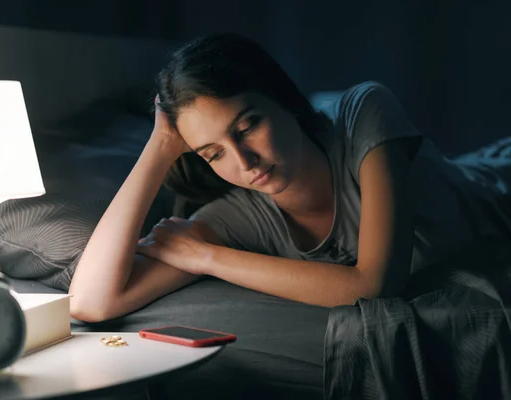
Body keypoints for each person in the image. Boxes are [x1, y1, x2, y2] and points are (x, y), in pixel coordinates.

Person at [68, 33, 511, 323]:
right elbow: (91, 302)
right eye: (214, 152)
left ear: (283, 100)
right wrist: (159, 149)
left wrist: (206, 258)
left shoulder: (363, 113)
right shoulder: (234, 219)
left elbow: (374, 285)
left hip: (496, 189)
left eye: (246, 128)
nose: (244, 161)